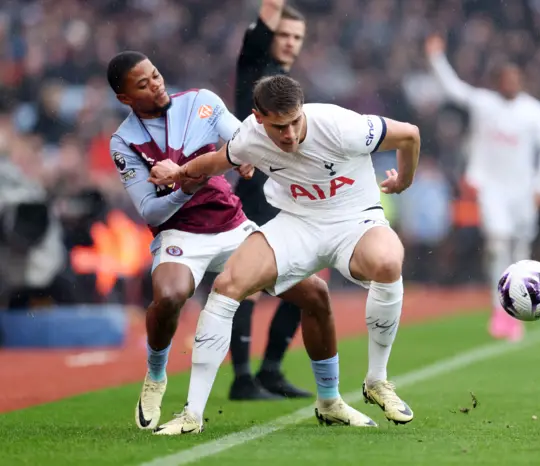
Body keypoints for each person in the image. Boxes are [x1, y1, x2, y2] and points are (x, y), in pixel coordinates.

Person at [107, 52, 361, 434]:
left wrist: (244, 157)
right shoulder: (124, 141)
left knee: (315, 294)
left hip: (231, 225)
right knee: (171, 296)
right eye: (142, 85)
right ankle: (156, 375)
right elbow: (150, 213)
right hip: (180, 233)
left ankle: (330, 400)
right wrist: (187, 187)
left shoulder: (200, 103)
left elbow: (242, 136)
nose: (155, 85)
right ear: (125, 98)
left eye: (156, 75)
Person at [149, 75, 420, 429]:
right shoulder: (248, 136)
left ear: (303, 109)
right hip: (297, 223)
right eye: (279, 127)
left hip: (354, 221)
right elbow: (214, 163)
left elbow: (410, 134)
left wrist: (404, 179)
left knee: (387, 261)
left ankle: (376, 381)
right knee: (228, 284)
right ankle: (192, 415)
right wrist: (179, 171)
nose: (289, 134)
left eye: (295, 122)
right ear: (259, 118)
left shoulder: (341, 126)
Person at [424, 35, 540, 342]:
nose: (510, 83)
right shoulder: (484, 103)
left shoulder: (534, 111)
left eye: (515, 79)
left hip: (524, 191)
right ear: (497, 82)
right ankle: (500, 310)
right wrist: (436, 58)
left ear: (521, 82)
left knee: (521, 248)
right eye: (505, 79)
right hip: (492, 188)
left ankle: (522, 305)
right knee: (498, 243)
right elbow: (453, 89)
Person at [229, 0, 311, 400]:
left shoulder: (287, 86)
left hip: (284, 195)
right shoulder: (255, 66)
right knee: (247, 285)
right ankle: (243, 377)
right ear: (269, 35)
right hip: (252, 194)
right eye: (285, 35)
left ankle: (270, 371)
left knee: (305, 285)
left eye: (298, 38)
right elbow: (271, 8)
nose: (292, 43)